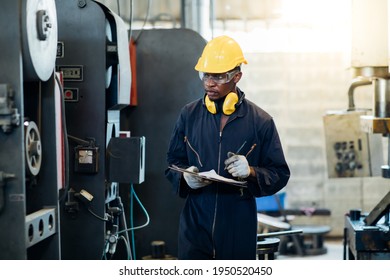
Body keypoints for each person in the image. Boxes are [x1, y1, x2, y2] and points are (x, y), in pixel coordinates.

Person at [165, 35, 290, 260]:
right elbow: (172, 164)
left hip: (237, 223)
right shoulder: (189, 115)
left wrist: (251, 171)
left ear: (237, 77)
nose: (209, 83)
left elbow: (279, 174)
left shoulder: (260, 121)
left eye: (218, 76)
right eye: (206, 75)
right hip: (195, 223)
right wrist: (186, 178)